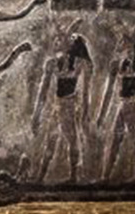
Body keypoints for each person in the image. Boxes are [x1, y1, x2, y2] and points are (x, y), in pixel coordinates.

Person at [31, 22, 93, 183]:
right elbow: (43, 91)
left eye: (60, 40)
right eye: (57, 39)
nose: (56, 42)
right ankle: (41, 176)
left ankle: (73, 176)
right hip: (58, 105)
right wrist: (37, 114)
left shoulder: (78, 63)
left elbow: (85, 91)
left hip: (69, 105)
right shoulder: (52, 63)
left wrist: (85, 110)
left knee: (69, 138)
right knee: (51, 140)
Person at [97, 36, 135, 182]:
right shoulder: (117, 64)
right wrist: (102, 114)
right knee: (115, 140)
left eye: (123, 43)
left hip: (134, 106)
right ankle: (106, 175)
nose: (119, 46)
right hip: (122, 105)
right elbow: (109, 91)